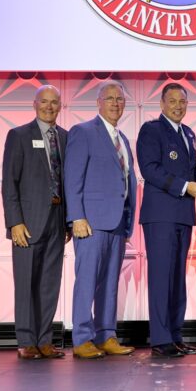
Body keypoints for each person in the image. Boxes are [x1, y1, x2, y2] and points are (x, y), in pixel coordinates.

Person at [64, 80, 137, 359]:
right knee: (87, 280)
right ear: (98, 102)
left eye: (120, 99)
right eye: (110, 98)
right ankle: (82, 337)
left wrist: (128, 222)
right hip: (91, 223)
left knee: (109, 282)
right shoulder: (82, 132)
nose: (116, 103)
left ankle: (107, 335)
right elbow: (73, 178)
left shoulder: (123, 139)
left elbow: (126, 183)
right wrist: (76, 217)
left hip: (118, 222)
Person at [137, 83, 196, 358]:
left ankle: (176, 336)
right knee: (161, 277)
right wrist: (184, 186)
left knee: (177, 278)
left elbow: (193, 172)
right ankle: (160, 339)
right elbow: (150, 170)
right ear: (162, 103)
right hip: (160, 215)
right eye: (173, 101)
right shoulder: (151, 130)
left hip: (183, 215)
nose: (178, 106)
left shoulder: (188, 133)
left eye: (183, 101)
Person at [2, 85, 70, 359]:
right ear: (35, 104)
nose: (49, 107)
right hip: (27, 222)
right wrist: (14, 222)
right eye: (44, 102)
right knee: (26, 281)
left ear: (61, 106)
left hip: (57, 218)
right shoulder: (18, 136)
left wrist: (68, 221)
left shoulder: (66, 138)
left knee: (49, 283)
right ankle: (26, 340)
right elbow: (10, 183)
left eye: (55, 102)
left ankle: (44, 340)